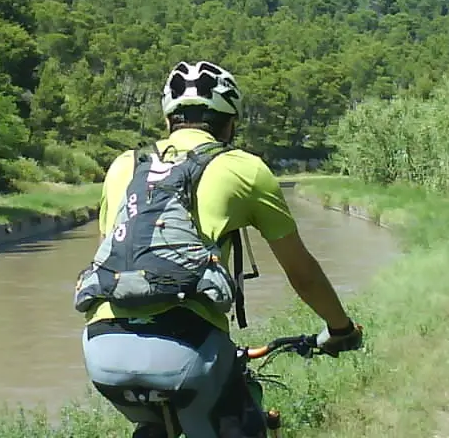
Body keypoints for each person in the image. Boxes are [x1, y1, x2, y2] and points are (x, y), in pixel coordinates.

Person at [76, 59, 363, 438]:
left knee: (156, 421)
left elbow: (110, 255)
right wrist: (340, 329)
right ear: (230, 123)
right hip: (190, 349)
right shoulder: (244, 168)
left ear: (168, 122)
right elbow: (302, 273)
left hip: (102, 351)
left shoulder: (122, 166)